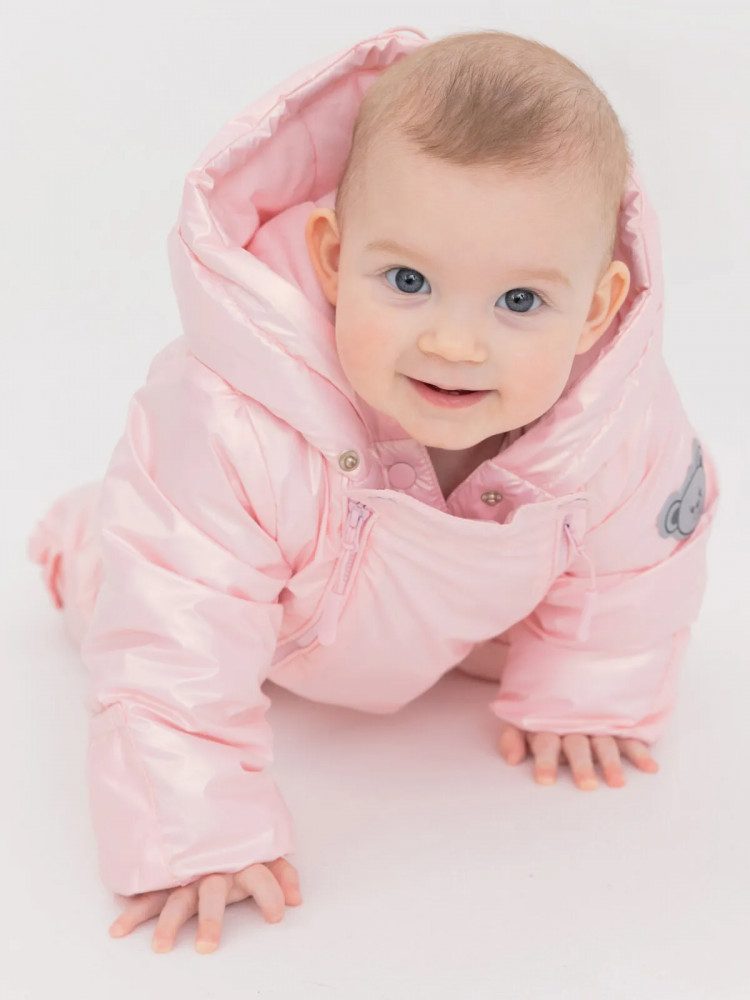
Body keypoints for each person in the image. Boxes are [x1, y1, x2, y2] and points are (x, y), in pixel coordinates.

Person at [27, 25, 721, 954]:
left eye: (519, 302)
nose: (455, 344)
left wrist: (588, 691)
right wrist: (194, 829)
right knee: (130, 579)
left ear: (595, 307)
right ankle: (73, 540)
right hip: (270, 614)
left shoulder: (615, 421)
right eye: (407, 280)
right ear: (331, 256)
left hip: (439, 621)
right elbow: (173, 625)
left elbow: (637, 568)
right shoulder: (234, 420)